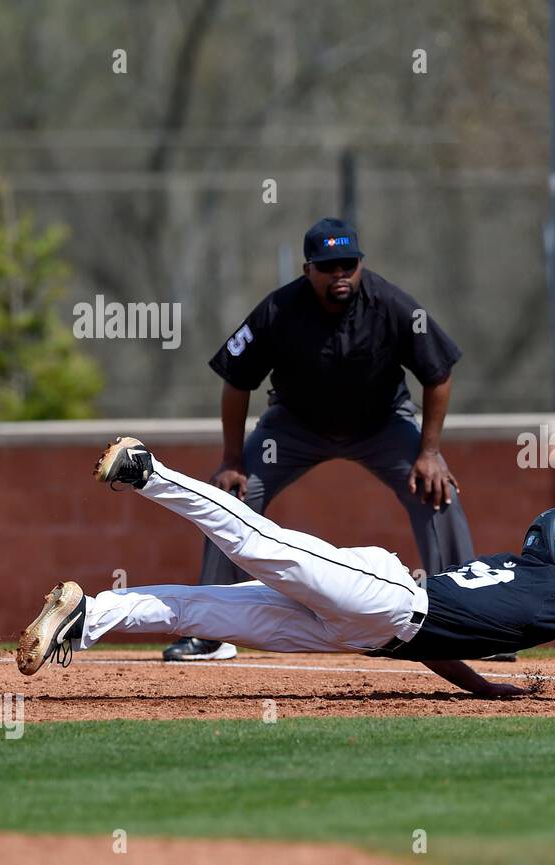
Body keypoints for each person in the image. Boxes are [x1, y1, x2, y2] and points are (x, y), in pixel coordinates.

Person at [14, 438, 555, 699]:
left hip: (371, 628)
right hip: (383, 599)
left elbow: (442, 641)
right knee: (259, 541)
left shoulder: (512, 570)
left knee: (203, 611)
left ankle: (87, 617)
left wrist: (485, 685)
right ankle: (147, 470)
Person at [163, 217, 480, 663]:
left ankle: (469, 626)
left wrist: (430, 452)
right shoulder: (278, 309)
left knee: (436, 491)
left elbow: (439, 371)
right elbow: (236, 381)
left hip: (382, 426)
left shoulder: (390, 304)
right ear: (307, 268)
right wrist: (232, 458)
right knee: (232, 498)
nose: (340, 275)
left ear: (360, 265)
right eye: (329, 267)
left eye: (348, 265)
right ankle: (212, 633)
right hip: (295, 427)